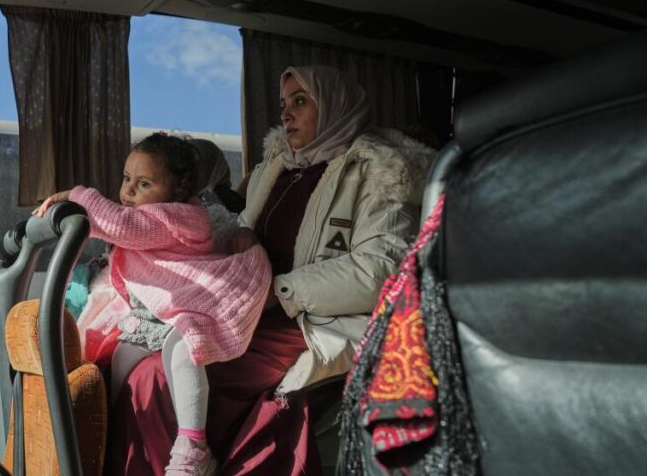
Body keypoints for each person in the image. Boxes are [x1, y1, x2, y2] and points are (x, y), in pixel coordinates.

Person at [109, 66, 435, 474]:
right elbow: (244, 227)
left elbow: (382, 270)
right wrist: (240, 235)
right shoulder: (276, 166)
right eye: (283, 104)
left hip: (310, 321)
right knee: (130, 357)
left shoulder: (376, 171)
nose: (285, 114)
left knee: (157, 376)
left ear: (334, 106)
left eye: (300, 101)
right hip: (251, 308)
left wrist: (280, 292)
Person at [34, 133, 271, 475]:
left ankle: (194, 447)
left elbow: (122, 225)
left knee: (184, 350)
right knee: (121, 358)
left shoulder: (178, 218)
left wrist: (76, 196)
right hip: (157, 312)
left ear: (178, 190)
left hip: (192, 304)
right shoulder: (155, 215)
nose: (128, 191)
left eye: (144, 184)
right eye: (126, 179)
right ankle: (110, 428)